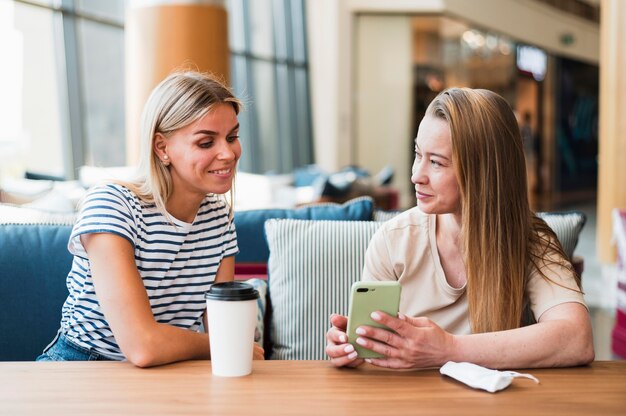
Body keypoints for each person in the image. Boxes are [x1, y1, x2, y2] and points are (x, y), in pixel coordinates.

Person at [326, 88, 594, 370]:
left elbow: (577, 339)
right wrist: (352, 349)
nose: (416, 175)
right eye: (418, 154)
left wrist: (447, 349)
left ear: (482, 173)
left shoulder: (528, 241)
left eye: (436, 162)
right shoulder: (393, 240)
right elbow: (373, 352)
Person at [37, 71, 264, 367]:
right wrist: (225, 343)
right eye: (206, 143)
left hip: (171, 368)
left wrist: (228, 344)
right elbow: (143, 346)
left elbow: (221, 325)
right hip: (83, 365)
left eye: (232, 137)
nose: (228, 153)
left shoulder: (218, 217)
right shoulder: (111, 205)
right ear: (162, 148)